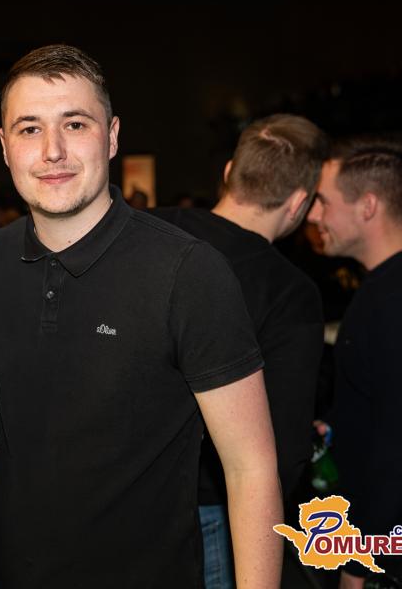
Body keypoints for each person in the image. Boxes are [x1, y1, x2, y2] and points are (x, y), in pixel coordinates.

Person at [0, 45, 281, 588]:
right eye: (29, 129)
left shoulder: (187, 272)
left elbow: (251, 467)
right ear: (5, 146)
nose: (53, 151)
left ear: (111, 137)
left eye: (75, 124)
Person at [154, 114, 328, 588]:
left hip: (113, 493)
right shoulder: (290, 292)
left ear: (230, 171)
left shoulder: (149, 230)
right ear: (299, 202)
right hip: (210, 509)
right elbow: (284, 449)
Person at [307, 137, 402, 589]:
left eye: (324, 201)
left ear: (368, 206)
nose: (314, 215)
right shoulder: (395, 284)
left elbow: (401, 450)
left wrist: (357, 566)